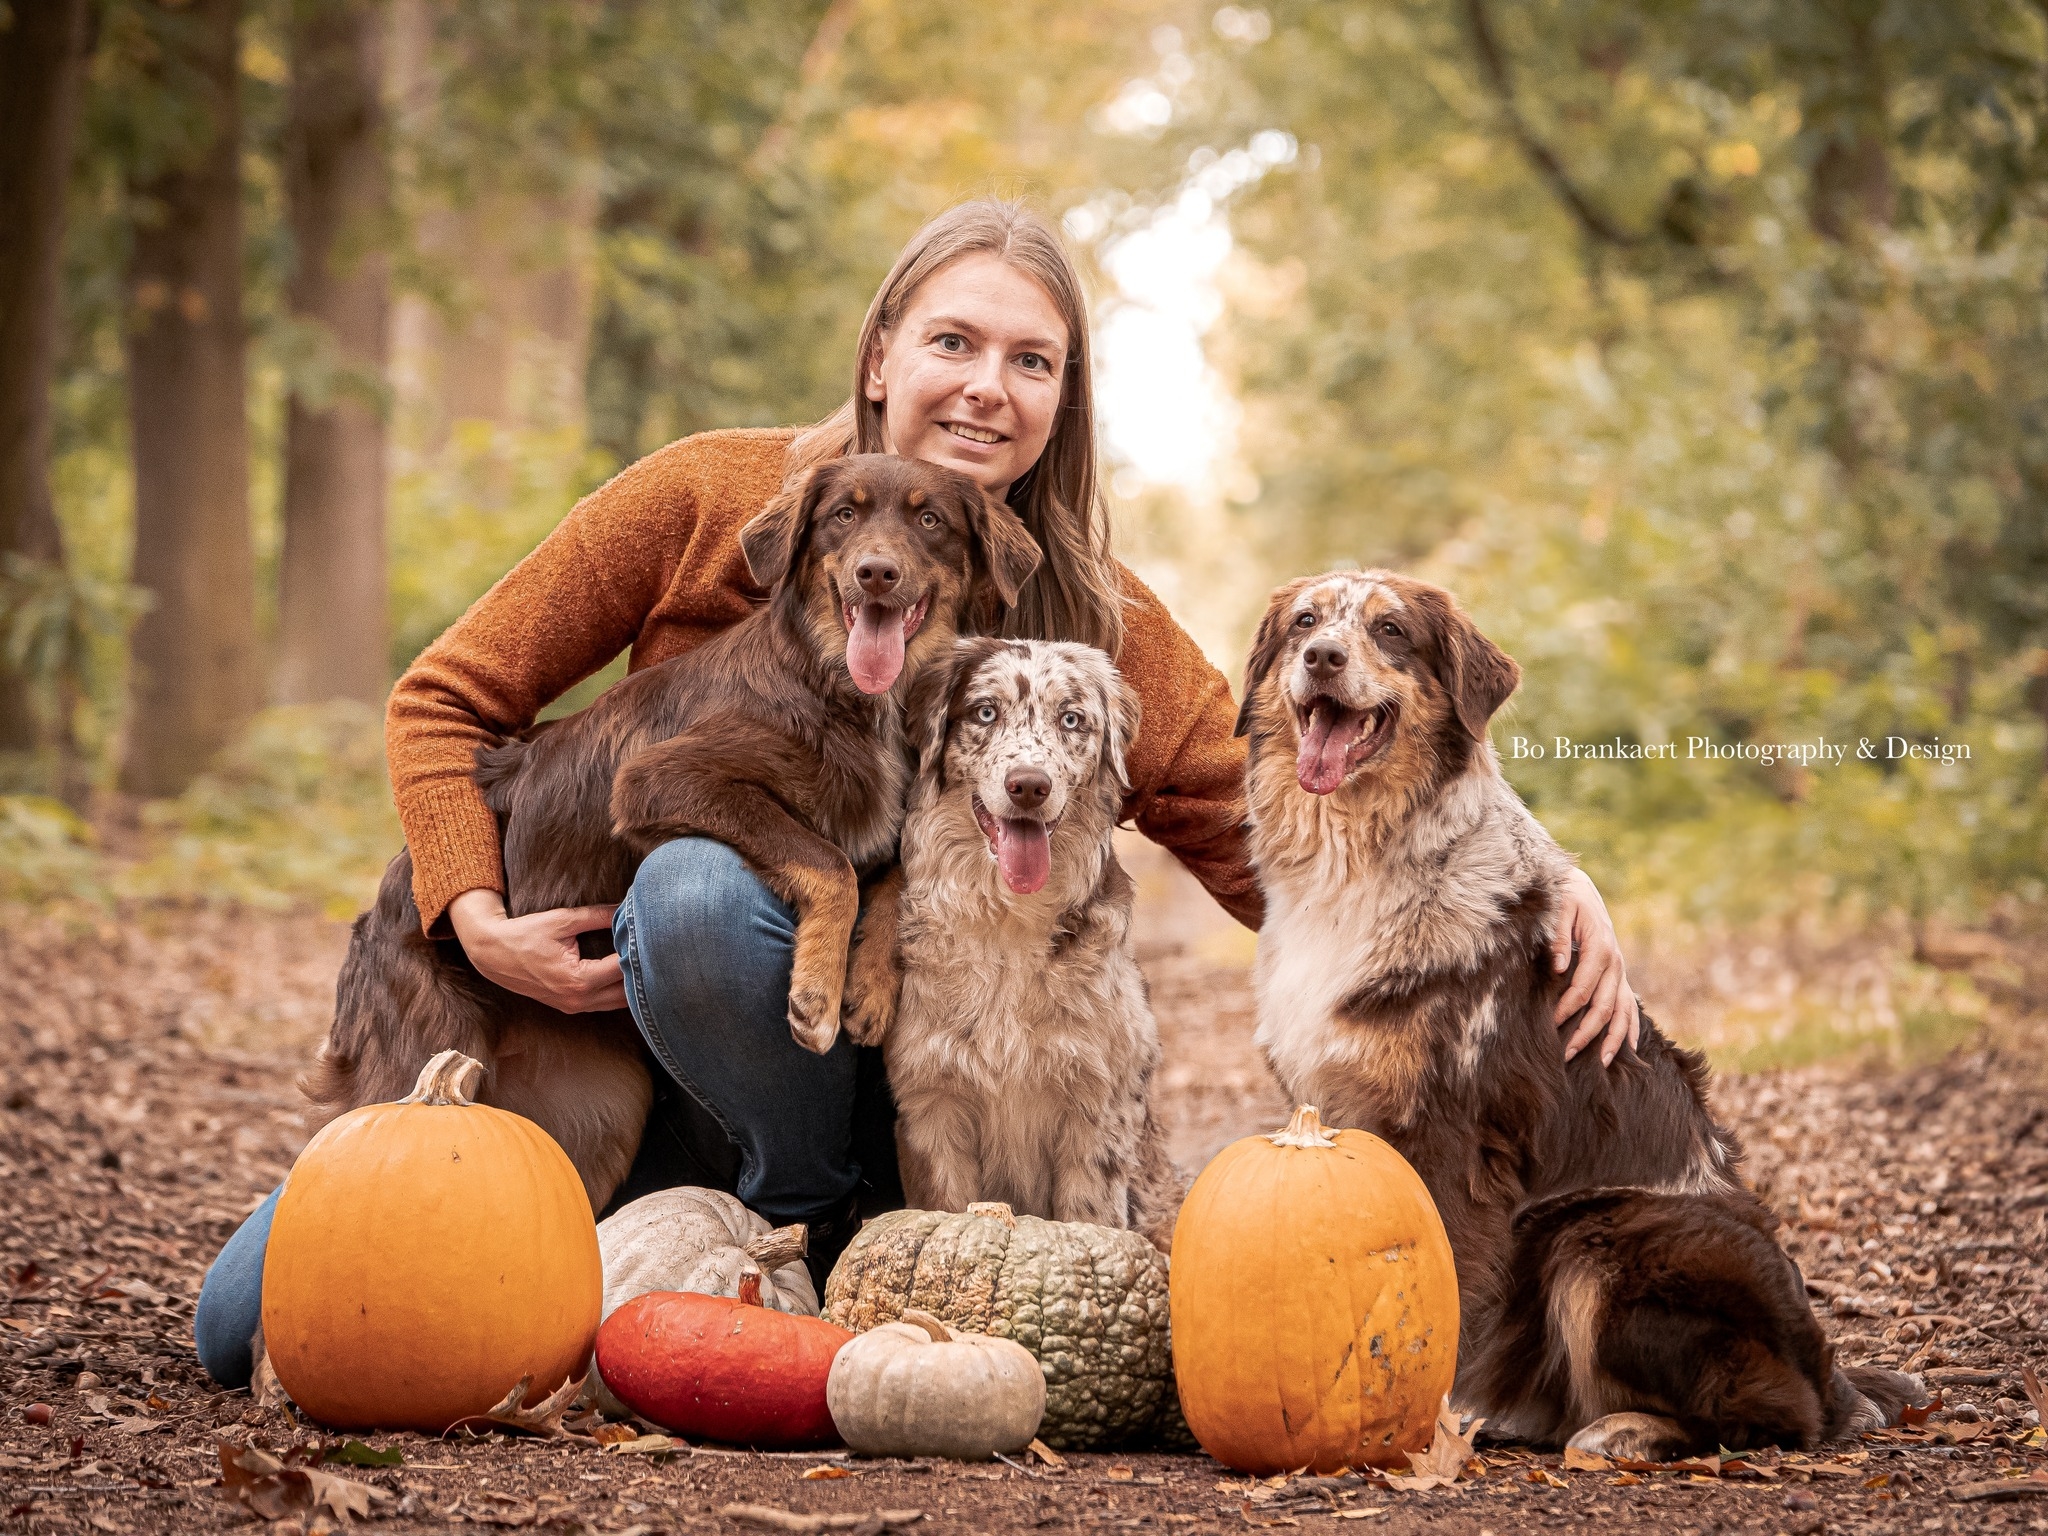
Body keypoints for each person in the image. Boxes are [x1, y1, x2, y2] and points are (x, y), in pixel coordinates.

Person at [194, 200, 1640, 1387]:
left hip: (873, 1084)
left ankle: (820, 1227)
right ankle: (664, 1230)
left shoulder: (1085, 608)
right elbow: (443, 700)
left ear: (1061, 398)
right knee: (245, 1323)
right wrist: (472, 915)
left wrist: (1535, 883)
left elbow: (1263, 811)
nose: (986, 386)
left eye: (1031, 360)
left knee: (699, 900)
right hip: (598, 1040)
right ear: (884, 349)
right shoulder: (710, 496)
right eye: (954, 339)